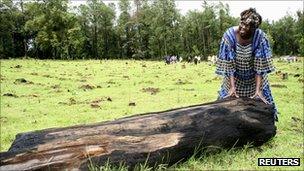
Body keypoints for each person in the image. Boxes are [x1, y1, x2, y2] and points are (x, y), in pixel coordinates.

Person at [215, 8, 278, 121]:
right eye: (242, 23)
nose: (243, 27)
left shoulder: (260, 38)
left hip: (255, 81)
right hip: (234, 79)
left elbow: (259, 68)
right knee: (225, 111)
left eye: (247, 26)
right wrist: (233, 87)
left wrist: (258, 90)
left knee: (263, 109)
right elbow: (229, 67)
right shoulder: (229, 36)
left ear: (254, 29)